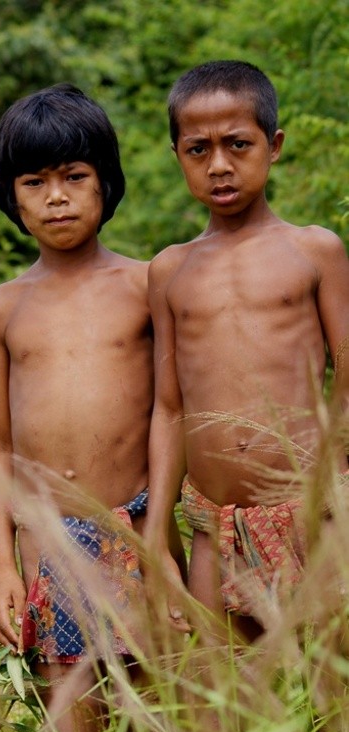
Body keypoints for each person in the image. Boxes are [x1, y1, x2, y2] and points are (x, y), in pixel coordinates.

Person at [0, 83, 186, 732]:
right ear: (12, 197)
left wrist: (159, 540)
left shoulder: (146, 286)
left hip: (137, 530)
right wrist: (3, 565)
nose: (56, 198)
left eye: (73, 177)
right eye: (34, 182)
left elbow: (173, 411)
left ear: (105, 183)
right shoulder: (3, 309)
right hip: (47, 546)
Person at [145, 60, 349, 643]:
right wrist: (156, 533)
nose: (219, 165)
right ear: (178, 156)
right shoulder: (170, 271)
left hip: (314, 510)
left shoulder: (314, 251)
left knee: (328, 681)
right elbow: (169, 407)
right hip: (217, 524)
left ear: (273, 145)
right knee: (220, 686)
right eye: (198, 150)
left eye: (238, 144)